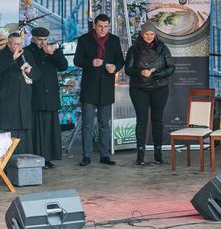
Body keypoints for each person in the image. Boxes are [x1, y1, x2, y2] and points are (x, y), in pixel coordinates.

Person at [74, 14, 124, 167]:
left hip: (106, 87)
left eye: (106, 27)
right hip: (89, 87)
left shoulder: (114, 40)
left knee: (104, 124)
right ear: (94, 26)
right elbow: (77, 60)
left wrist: (115, 67)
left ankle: (105, 155)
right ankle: (86, 156)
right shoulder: (84, 39)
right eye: (100, 26)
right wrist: (90, 62)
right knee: (88, 124)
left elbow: (120, 60)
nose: (103, 30)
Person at [125, 21, 175, 165]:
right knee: (141, 121)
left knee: (157, 121)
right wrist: (141, 72)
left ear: (155, 34)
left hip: (159, 88)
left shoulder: (163, 48)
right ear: (141, 34)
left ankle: (158, 154)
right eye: (146, 34)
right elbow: (128, 69)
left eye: (152, 34)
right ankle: (140, 155)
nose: (149, 36)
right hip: (139, 89)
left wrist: (157, 74)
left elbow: (171, 67)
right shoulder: (134, 49)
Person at [26, 27, 68, 169]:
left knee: (51, 129)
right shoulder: (28, 51)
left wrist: (55, 54)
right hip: (36, 95)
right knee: (37, 130)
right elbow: (33, 66)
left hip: (50, 95)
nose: (43, 43)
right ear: (33, 38)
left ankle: (48, 158)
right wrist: (44, 53)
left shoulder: (52, 50)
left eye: (45, 40)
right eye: (40, 40)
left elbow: (64, 66)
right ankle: (37, 158)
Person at [0, 32, 40, 154]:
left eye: (20, 44)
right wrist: (12, 58)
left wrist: (30, 71)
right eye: (15, 44)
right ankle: (8, 169)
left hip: (24, 102)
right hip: (9, 103)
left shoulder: (27, 54)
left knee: (24, 138)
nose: (19, 47)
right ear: (8, 44)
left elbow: (37, 76)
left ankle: (25, 167)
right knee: (9, 137)